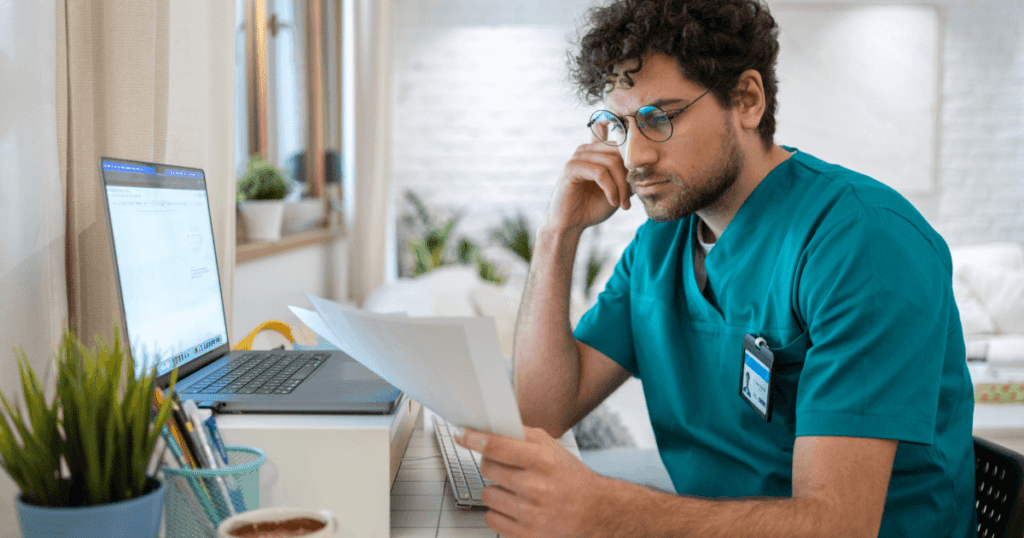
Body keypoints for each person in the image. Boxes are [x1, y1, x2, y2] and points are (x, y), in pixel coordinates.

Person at [454, 0, 976, 536]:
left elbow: (838, 525)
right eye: (618, 124)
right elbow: (538, 415)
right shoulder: (659, 245)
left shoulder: (862, 242)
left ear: (747, 100)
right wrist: (556, 235)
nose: (633, 156)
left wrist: (608, 513)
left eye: (659, 119)